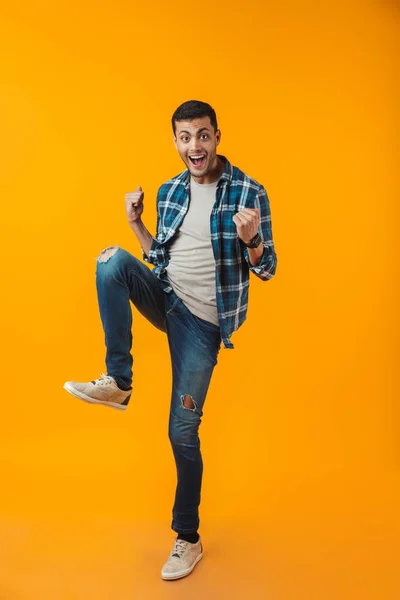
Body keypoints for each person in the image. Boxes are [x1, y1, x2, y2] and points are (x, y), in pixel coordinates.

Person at [63, 100, 277, 581]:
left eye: (202, 136)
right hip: (167, 296)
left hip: (201, 324)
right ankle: (119, 380)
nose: (194, 147)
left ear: (218, 137)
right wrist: (137, 223)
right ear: (176, 142)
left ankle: (188, 539)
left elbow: (267, 268)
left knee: (181, 432)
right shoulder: (171, 190)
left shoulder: (249, 192)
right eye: (185, 138)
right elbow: (159, 259)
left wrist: (253, 241)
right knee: (111, 259)